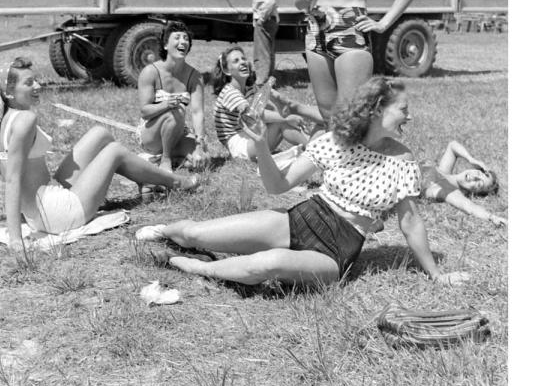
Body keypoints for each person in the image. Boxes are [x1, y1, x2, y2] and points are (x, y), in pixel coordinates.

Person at [136, 78, 468, 287]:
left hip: (339, 248)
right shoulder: (335, 141)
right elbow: (279, 185)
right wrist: (263, 145)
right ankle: (168, 232)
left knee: (267, 265)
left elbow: (411, 224)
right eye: (403, 109)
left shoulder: (403, 160)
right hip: (299, 220)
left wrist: (437, 276)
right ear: (378, 109)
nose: (409, 116)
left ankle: (200, 267)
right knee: (192, 232)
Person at [0, 57, 200, 263]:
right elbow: (12, 180)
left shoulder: (2, 120)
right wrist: (16, 239)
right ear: (9, 92)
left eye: (35, 80)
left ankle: (146, 180)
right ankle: (176, 182)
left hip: (43, 204)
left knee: (100, 134)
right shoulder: (25, 120)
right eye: (29, 83)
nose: (38, 85)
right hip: (57, 214)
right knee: (115, 150)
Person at [210, 45, 318, 161]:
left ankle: (313, 145)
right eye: (236, 61)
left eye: (243, 59)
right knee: (281, 123)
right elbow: (252, 115)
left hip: (250, 137)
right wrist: (286, 118)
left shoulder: (249, 88)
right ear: (227, 70)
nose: (243, 62)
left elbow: (270, 107)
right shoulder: (229, 92)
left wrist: (282, 105)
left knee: (281, 119)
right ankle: (316, 151)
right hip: (239, 146)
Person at [138, 21, 209, 171]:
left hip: (178, 132)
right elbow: (144, 111)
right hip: (151, 134)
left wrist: (199, 144)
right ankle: (165, 159)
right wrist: (167, 104)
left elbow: (197, 113)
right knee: (177, 111)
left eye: (185, 38)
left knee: (203, 161)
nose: (183, 41)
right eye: (177, 37)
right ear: (165, 45)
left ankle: (165, 159)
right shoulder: (150, 72)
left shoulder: (195, 76)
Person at [223, 0, 279, 84]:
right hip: (266, 19)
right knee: (267, 51)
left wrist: (262, 18)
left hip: (266, 19)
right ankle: (268, 81)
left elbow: (270, 1)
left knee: (261, 52)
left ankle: (261, 81)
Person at [421, 141, 506, 226]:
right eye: (479, 173)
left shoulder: (447, 190)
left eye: (479, 184)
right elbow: (452, 146)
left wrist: (492, 217)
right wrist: (471, 159)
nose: (475, 177)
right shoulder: (444, 171)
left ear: (473, 193)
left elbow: (468, 206)